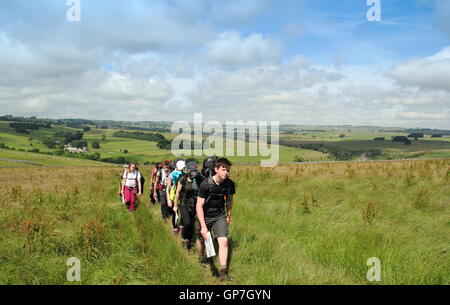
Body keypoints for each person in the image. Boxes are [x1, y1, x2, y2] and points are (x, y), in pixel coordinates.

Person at [196, 157, 236, 281]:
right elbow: (199, 205)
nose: (226, 172)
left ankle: (223, 272)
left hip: (220, 216)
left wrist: (228, 215)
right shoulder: (205, 184)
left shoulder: (229, 184)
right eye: (224, 170)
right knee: (202, 240)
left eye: (228, 170)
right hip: (205, 216)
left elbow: (230, 201)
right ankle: (201, 259)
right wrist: (203, 226)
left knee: (223, 241)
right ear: (216, 169)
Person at [174, 162, 203, 249]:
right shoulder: (183, 179)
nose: (193, 172)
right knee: (186, 222)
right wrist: (175, 205)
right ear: (188, 170)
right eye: (191, 170)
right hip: (184, 203)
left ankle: (188, 241)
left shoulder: (199, 179)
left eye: (194, 170)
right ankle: (184, 238)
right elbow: (178, 192)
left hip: (195, 204)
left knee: (192, 224)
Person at [166, 160, 186, 234]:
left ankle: (181, 227)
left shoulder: (185, 174)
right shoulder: (171, 175)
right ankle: (175, 228)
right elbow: (168, 188)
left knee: (183, 211)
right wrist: (168, 200)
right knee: (175, 212)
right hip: (174, 195)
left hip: (182, 194)